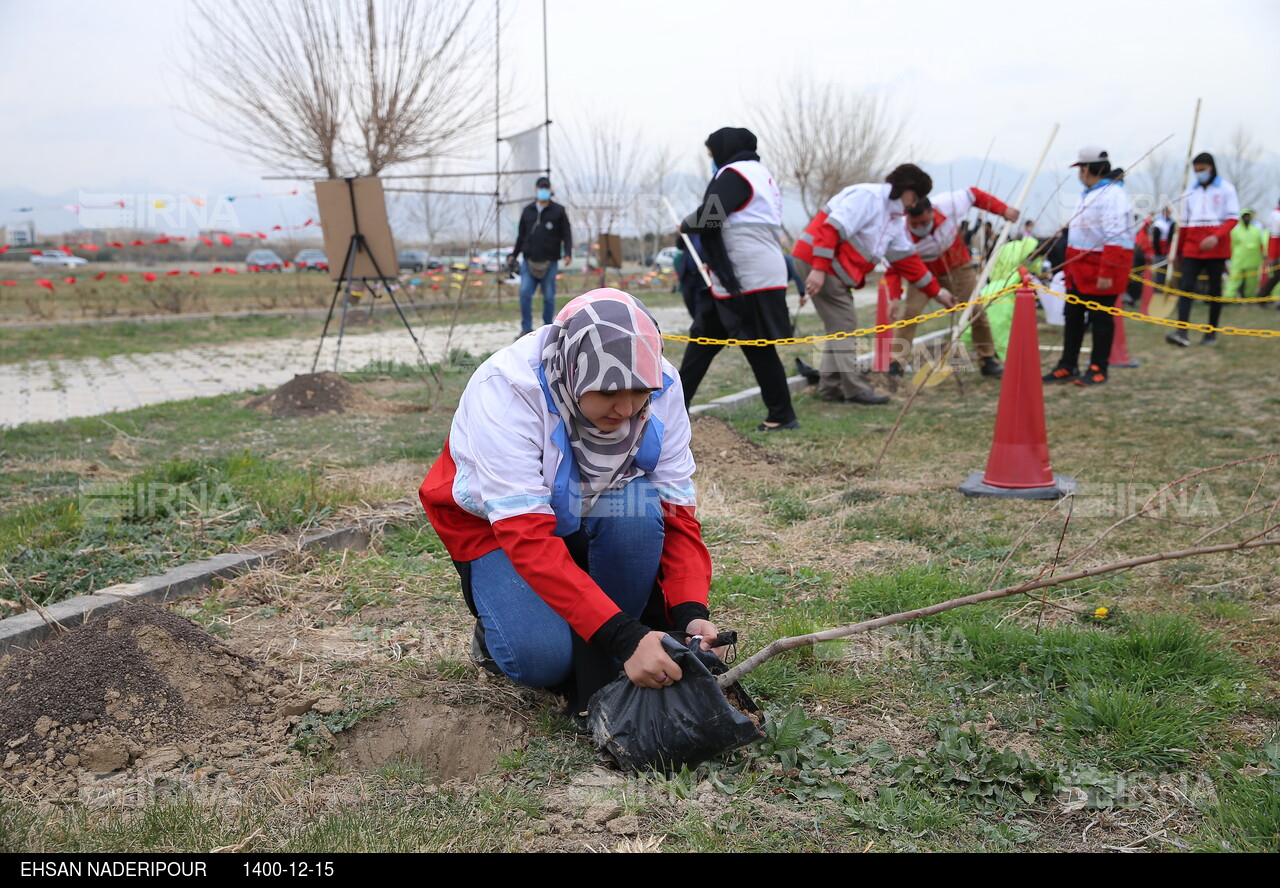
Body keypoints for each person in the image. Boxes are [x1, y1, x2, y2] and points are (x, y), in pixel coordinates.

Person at [418, 288, 723, 715]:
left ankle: (606, 633)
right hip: (496, 526)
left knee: (639, 507)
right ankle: (505, 632)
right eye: (609, 391)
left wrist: (690, 611)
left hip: (594, 503)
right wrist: (624, 636)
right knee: (544, 660)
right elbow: (527, 536)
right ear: (573, 369)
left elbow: (677, 512)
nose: (627, 407)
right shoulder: (507, 390)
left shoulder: (662, 382)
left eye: (640, 392)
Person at [790, 164, 946, 403]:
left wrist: (938, 293)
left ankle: (830, 388)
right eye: (914, 197)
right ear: (904, 188)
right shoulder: (868, 198)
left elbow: (907, 261)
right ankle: (854, 389)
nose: (913, 205)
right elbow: (830, 229)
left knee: (839, 326)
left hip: (830, 268)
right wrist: (819, 269)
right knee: (844, 324)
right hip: (817, 261)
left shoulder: (893, 219)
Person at [676, 127, 798, 431]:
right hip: (752, 273)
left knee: (747, 346)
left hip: (745, 275)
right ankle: (674, 409)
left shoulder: (736, 173)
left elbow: (711, 216)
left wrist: (686, 225)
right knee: (705, 341)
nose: (712, 161)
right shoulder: (760, 174)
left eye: (711, 154)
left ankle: (782, 415)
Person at [896, 186, 1019, 378]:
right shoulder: (899, 230)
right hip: (922, 271)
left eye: (924, 222)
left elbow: (975, 194)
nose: (920, 228)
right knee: (910, 314)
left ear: (931, 212)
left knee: (975, 310)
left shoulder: (948, 203)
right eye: (915, 225)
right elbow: (893, 266)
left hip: (957, 266)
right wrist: (894, 296)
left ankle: (987, 359)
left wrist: (1003, 210)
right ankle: (896, 364)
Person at [1042, 146, 1132, 386]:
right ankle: (1067, 365)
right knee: (1072, 316)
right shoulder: (1089, 193)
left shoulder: (1113, 195)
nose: (1079, 174)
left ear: (1088, 169)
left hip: (1100, 266)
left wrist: (1107, 271)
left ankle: (1097, 368)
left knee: (1100, 319)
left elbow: (1115, 236)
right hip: (1079, 268)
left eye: (1080, 169)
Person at [1165, 152, 1239, 347]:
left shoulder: (1226, 189)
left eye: (1203, 170)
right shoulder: (1190, 192)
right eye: (1196, 171)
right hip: (1192, 249)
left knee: (1214, 291)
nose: (1199, 174)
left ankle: (1211, 332)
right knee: (1186, 288)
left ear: (1212, 168)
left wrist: (1216, 236)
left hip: (1216, 249)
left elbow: (1233, 218)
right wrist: (1177, 251)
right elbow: (1184, 225)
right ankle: (1182, 332)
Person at [511, 175, 573, 336]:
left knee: (549, 298)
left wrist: (567, 253)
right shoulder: (527, 211)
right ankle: (526, 328)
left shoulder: (558, 211)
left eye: (546, 188)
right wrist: (513, 254)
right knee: (524, 292)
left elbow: (566, 234)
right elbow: (521, 236)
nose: (543, 191)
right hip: (529, 261)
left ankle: (548, 329)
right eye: (541, 188)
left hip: (550, 261)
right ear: (536, 190)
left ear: (550, 190)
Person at [1227, 209, 1267, 301]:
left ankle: (1249, 298)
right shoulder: (1235, 230)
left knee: (1251, 281)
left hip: (1253, 260)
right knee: (1234, 279)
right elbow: (1231, 244)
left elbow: (1262, 243)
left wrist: (1264, 254)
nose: (1247, 218)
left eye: (1248, 216)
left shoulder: (1257, 229)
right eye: (1245, 216)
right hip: (1238, 260)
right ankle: (1228, 298)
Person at [1150, 206, 1176, 288]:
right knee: (1159, 275)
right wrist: (1159, 253)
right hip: (1160, 253)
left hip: (1169, 251)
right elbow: (1155, 240)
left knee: (1169, 275)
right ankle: (1158, 291)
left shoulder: (1171, 222)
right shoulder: (1158, 223)